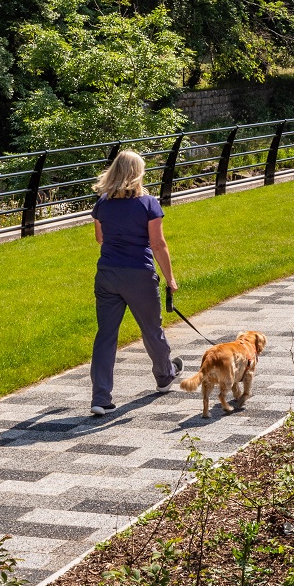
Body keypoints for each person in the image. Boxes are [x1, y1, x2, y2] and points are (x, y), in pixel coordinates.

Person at [88, 150, 182, 416]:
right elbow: (157, 244)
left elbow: (100, 239)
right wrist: (170, 277)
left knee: (106, 335)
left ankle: (101, 397)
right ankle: (164, 375)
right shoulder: (148, 203)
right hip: (139, 274)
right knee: (152, 330)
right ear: (137, 173)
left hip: (107, 274)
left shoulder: (102, 204)